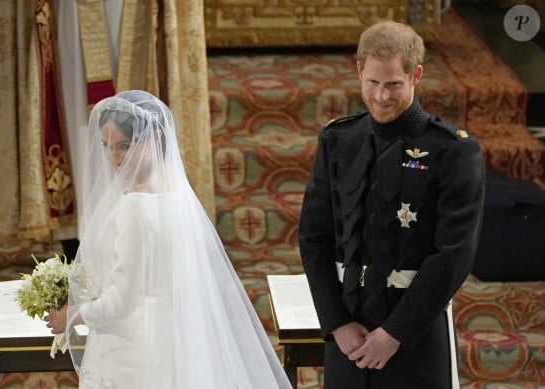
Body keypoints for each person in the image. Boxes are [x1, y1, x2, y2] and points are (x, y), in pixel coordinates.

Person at [45, 90, 292, 388]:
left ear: (156, 137)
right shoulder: (179, 195)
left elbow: (121, 302)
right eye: (106, 146)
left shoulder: (133, 206)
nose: (114, 158)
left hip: (132, 350)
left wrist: (72, 317)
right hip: (178, 338)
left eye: (124, 146)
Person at [298, 21, 485, 389]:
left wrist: (395, 333)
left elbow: (453, 255)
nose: (382, 96)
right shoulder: (338, 140)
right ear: (359, 71)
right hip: (348, 334)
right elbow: (314, 236)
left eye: (394, 85)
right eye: (373, 83)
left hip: (414, 335)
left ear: (415, 76)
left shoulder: (454, 150)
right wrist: (336, 322)